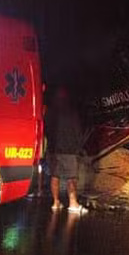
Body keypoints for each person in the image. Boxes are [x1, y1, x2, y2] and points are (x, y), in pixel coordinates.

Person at [45, 85, 87, 213]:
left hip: (53, 149)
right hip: (69, 150)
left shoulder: (50, 112)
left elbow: (46, 129)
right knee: (71, 178)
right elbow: (78, 131)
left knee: (54, 176)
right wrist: (79, 148)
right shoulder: (72, 111)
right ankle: (73, 204)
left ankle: (55, 202)